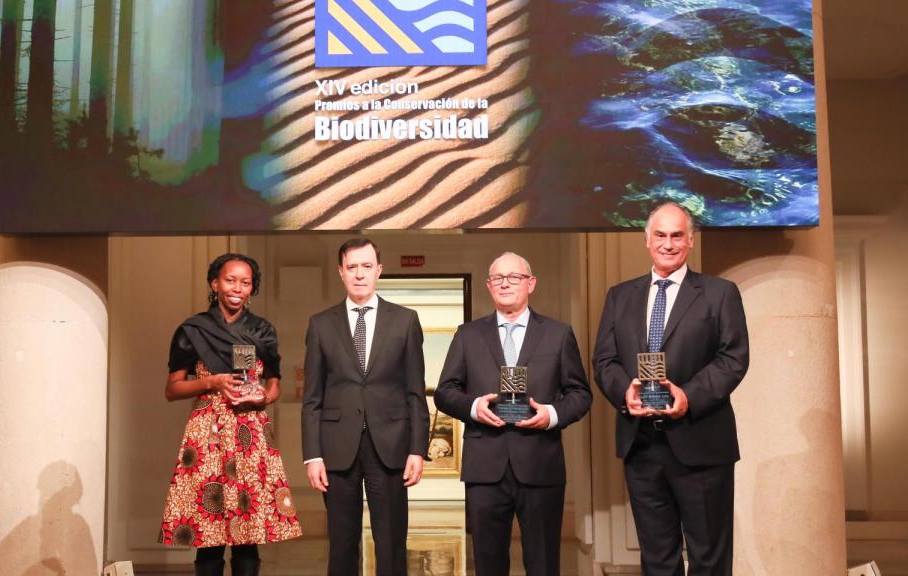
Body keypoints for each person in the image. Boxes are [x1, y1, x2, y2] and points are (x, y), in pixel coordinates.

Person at [592, 202, 749, 576]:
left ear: (690, 240)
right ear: (647, 240)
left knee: (709, 558)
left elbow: (733, 359)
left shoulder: (719, 293)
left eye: (677, 235)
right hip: (642, 446)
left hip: (701, 444)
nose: (668, 243)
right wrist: (624, 395)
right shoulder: (620, 296)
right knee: (657, 559)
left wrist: (688, 396)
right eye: (660, 235)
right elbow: (604, 361)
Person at [434, 252, 592, 576]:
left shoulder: (558, 334)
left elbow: (580, 394)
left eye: (514, 277)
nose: (505, 283)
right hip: (484, 469)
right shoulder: (468, 335)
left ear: (530, 283)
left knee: (544, 564)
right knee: (488, 564)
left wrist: (551, 414)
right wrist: (474, 407)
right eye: (498, 278)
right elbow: (445, 392)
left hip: (540, 465)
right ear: (489, 286)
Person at [159, 253, 302, 576]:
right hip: (207, 433)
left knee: (248, 534)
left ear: (252, 289)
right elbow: (172, 389)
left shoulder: (263, 330)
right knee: (208, 532)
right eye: (230, 280)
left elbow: (274, 383)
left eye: (245, 282)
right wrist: (212, 381)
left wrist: (265, 395)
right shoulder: (193, 329)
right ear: (215, 283)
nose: (237, 287)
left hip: (250, 432)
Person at [301, 238, 429, 576]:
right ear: (341, 272)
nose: (360, 274)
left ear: (379, 271)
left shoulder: (405, 321)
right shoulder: (320, 324)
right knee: (342, 544)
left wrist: (418, 449)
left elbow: (415, 392)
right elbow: (312, 397)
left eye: (367, 266)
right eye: (352, 267)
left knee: (391, 543)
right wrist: (312, 455)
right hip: (336, 448)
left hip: (390, 445)